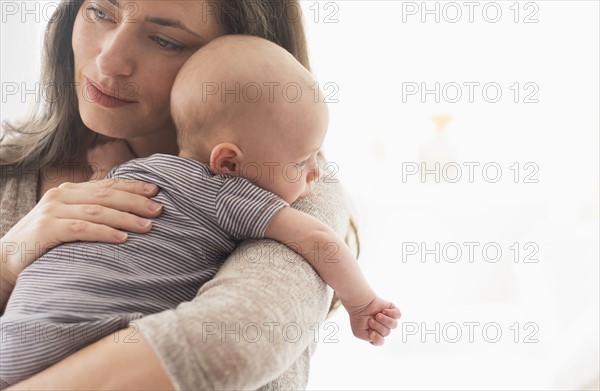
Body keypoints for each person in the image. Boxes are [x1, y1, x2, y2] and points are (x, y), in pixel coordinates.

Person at [0, 1, 398, 389]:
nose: (109, 61)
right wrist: (7, 260)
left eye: (165, 40)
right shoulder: (15, 168)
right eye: (101, 12)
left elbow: (227, 346)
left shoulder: (302, 191)